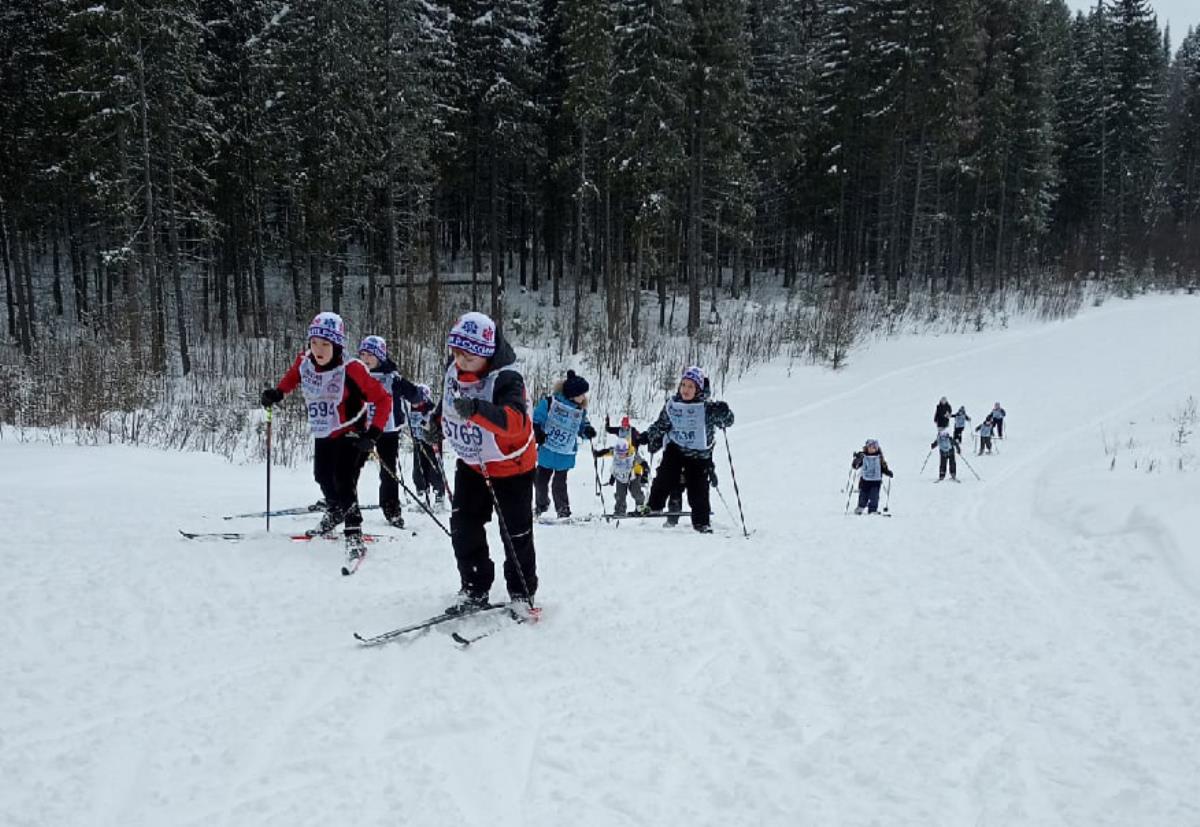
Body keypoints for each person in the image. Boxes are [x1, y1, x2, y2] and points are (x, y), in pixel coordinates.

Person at [260, 312, 393, 565]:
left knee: (344, 479)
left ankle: (354, 530)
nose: (318, 349)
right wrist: (277, 393)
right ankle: (335, 511)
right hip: (324, 430)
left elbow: (384, 399)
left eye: (325, 344)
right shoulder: (305, 362)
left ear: (337, 346)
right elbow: (293, 378)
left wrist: (373, 434)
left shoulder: (352, 369)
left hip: (351, 431)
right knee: (321, 475)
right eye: (314, 343)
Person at [435, 311, 538, 615]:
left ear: (486, 353)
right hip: (472, 464)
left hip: (512, 467)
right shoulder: (452, 370)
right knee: (463, 526)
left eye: (468, 356)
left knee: (515, 532)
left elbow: (516, 421)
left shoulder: (507, 378)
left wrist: (479, 410)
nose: (460, 361)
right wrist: (435, 423)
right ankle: (474, 587)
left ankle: (521, 593)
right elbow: (448, 403)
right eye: (456, 353)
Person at [634, 366, 734, 533]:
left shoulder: (707, 408)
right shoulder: (673, 405)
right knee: (665, 475)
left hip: (699, 454)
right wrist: (646, 436)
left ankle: (701, 522)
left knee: (699, 487)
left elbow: (728, 422)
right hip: (677, 448)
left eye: (691, 386)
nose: (686, 390)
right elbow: (662, 425)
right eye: (683, 385)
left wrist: (724, 413)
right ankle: (654, 505)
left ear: (698, 389)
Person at [357, 335, 425, 528]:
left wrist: (417, 394)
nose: (365, 358)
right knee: (350, 470)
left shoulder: (391, 377)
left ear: (380, 356)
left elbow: (413, 395)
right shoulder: (356, 374)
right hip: (362, 430)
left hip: (387, 430)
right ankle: (344, 507)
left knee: (388, 472)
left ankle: (392, 510)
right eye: (362, 354)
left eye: (370, 354)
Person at [531, 370, 597, 520]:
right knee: (540, 481)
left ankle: (563, 510)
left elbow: (581, 426)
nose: (583, 397)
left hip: (565, 453)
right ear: (572, 394)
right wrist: (537, 431)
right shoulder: (550, 403)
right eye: (581, 394)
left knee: (559, 484)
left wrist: (587, 431)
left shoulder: (579, 410)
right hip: (547, 449)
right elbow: (537, 418)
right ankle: (541, 505)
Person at [593, 416, 649, 517]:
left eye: (624, 453)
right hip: (621, 476)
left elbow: (644, 464)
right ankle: (620, 510)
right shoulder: (616, 451)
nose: (621, 455)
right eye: (619, 453)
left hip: (633, 475)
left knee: (636, 493)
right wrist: (598, 454)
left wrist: (644, 475)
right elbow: (609, 454)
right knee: (620, 495)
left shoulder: (633, 454)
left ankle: (641, 508)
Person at [406, 383, 447, 509]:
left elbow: (442, 426)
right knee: (418, 470)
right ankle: (422, 495)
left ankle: (439, 496)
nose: (415, 403)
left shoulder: (431, 409)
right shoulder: (409, 409)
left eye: (418, 399)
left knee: (434, 469)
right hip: (418, 442)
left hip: (432, 443)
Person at [851, 438, 894, 514]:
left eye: (874, 447)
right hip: (864, 481)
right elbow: (856, 465)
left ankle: (873, 509)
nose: (872, 449)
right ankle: (860, 507)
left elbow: (883, 467)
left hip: (876, 482)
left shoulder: (879, 458)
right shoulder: (863, 457)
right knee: (863, 495)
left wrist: (888, 472)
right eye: (870, 447)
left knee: (874, 496)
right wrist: (856, 461)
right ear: (867, 448)